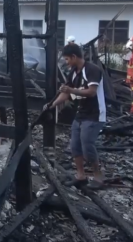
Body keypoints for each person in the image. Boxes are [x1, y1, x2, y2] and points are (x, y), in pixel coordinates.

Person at [44, 44, 106, 189]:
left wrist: (71, 89)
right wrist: (52, 104)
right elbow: (66, 93)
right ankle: (81, 176)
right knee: (75, 146)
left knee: (87, 145)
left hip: (95, 114)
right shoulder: (73, 72)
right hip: (81, 113)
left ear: (74, 57)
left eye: (67, 59)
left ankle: (98, 177)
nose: (66, 62)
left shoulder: (92, 70)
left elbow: (91, 92)